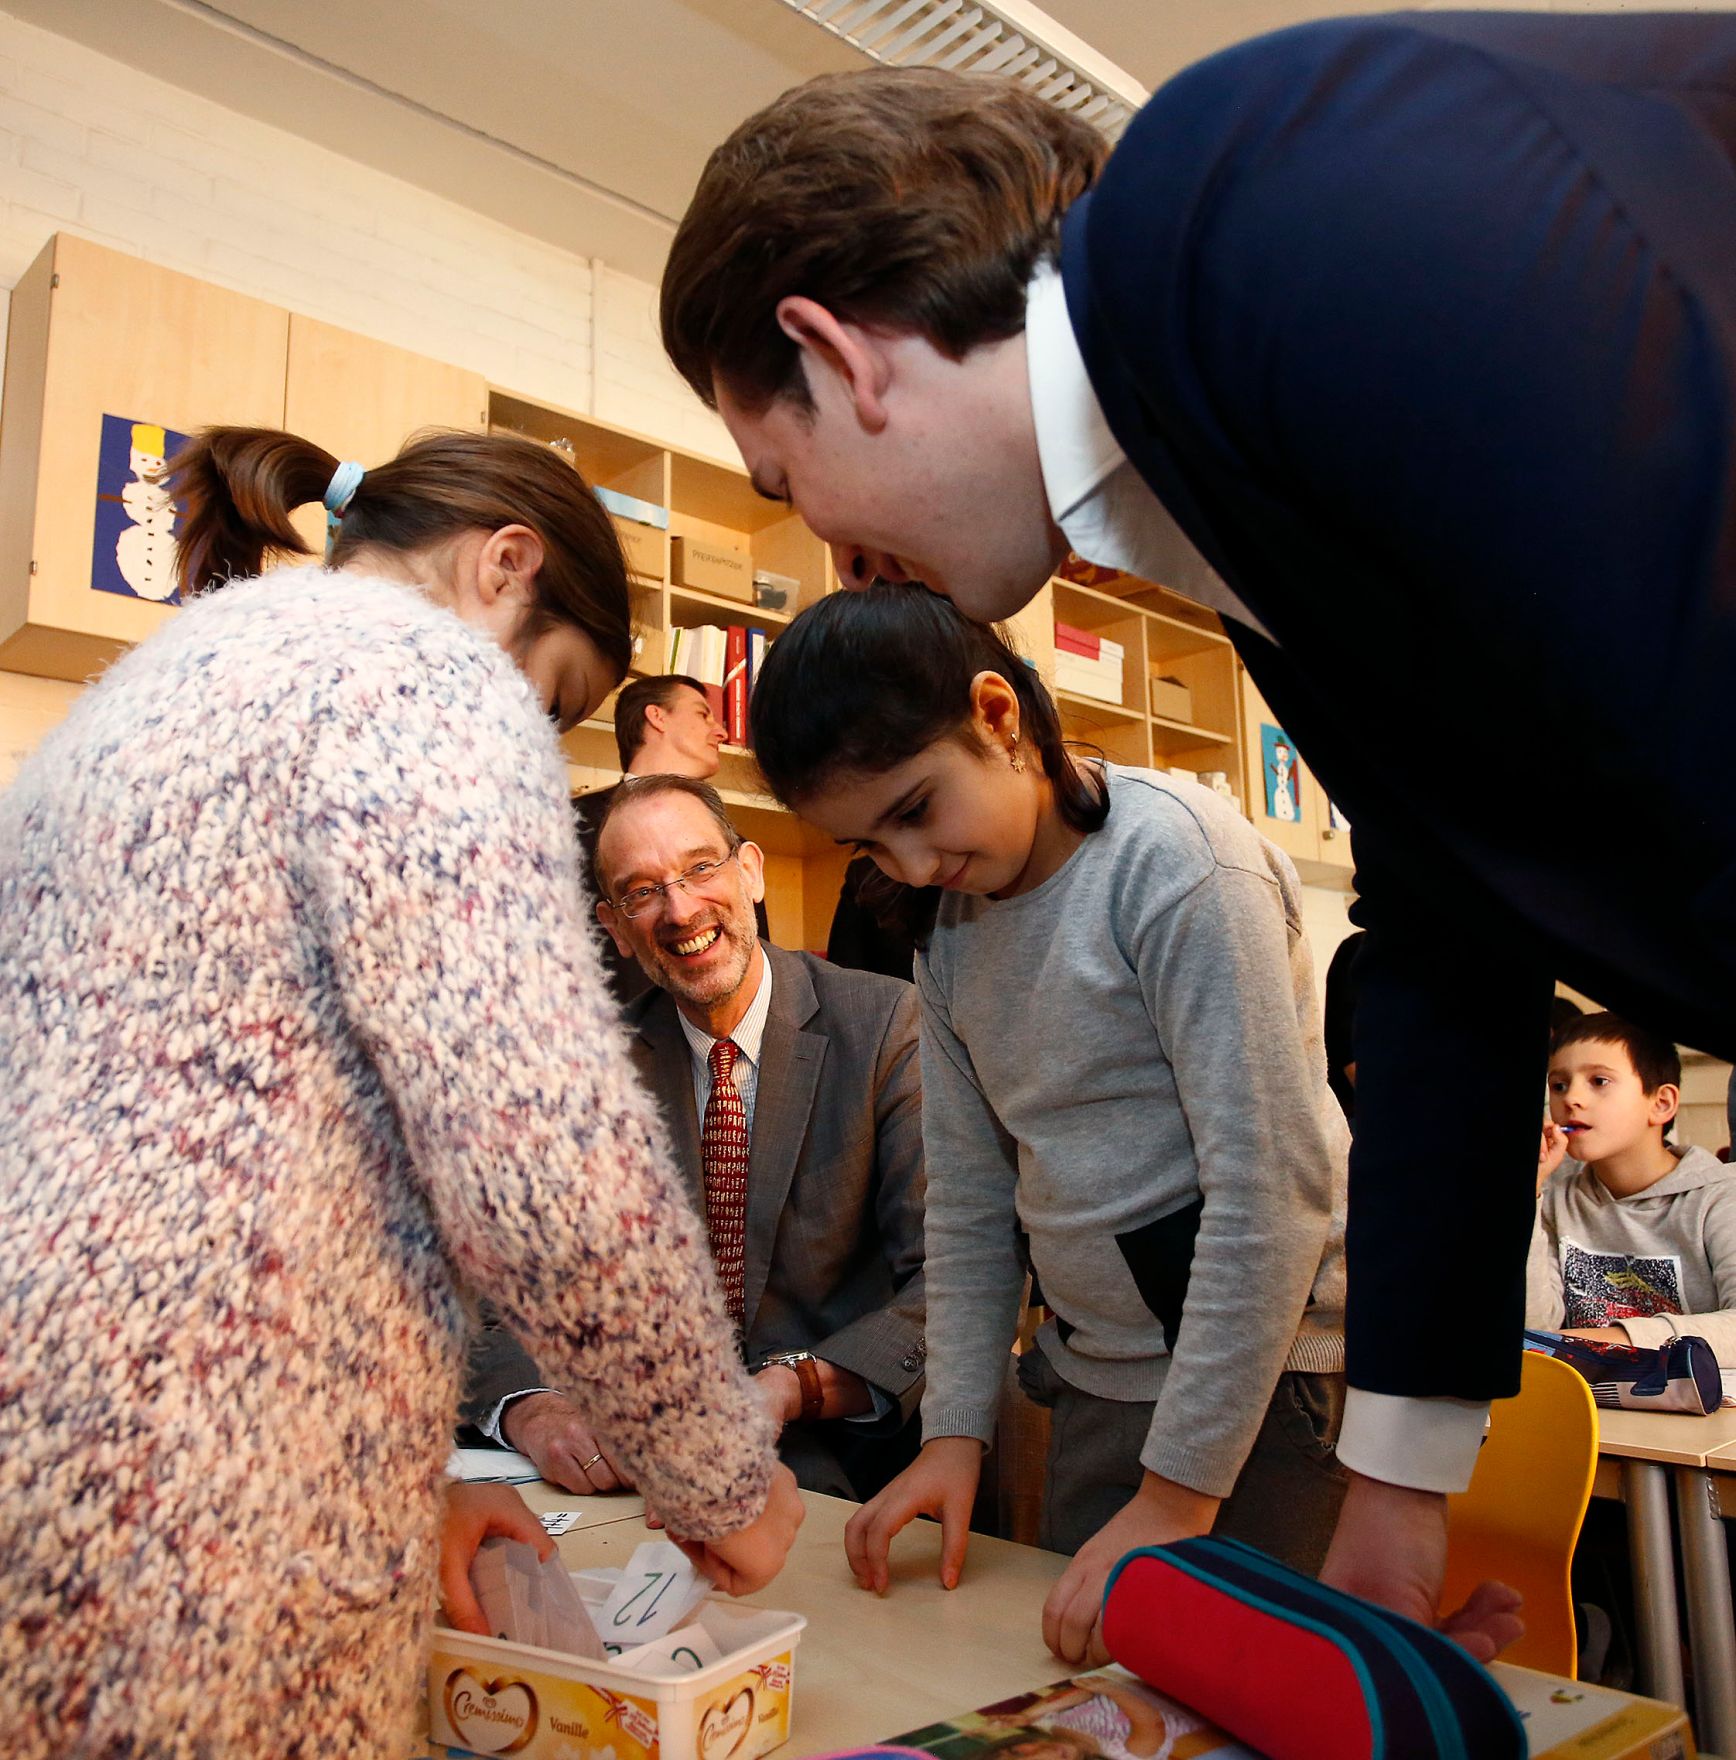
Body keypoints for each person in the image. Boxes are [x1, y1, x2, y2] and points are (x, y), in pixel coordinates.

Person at [659, 14, 1736, 1650]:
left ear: (842, 353)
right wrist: (1395, 1491)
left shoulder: (1258, 193)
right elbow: (1455, 927)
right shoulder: (1224, 485)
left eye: (783, 474)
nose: (834, 551)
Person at [0, 425, 802, 1758]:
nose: (531, 735)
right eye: (549, 699)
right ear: (506, 565)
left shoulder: (150, 689)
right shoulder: (423, 676)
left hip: (76, 1457)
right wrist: (715, 1472)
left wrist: (414, 1487)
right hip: (205, 1507)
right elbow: (542, 1158)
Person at [750, 583, 1349, 1666]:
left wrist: (1174, 1494)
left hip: (1262, 1394)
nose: (914, 865)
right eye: (869, 844)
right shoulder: (949, 932)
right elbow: (973, 1213)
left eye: (917, 808)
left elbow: (1273, 1189)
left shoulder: (1175, 864)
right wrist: (953, 1432)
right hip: (1093, 1384)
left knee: (1250, 1694)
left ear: (997, 713)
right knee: (1089, 1695)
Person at [465, 773, 928, 1498]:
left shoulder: (885, 1028)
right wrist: (537, 1411)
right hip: (637, 1483)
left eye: (699, 868)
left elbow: (952, 1278)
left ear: (750, 872)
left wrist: (794, 1388)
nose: (680, 910)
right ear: (613, 926)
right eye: (642, 890)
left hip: (847, 1473)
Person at [1530, 1013, 1736, 1367]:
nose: (1572, 1099)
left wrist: (1604, 1343)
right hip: (1591, 1408)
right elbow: (1533, 1328)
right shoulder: (1553, 1193)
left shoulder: (1720, 1195)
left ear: (1661, 1104)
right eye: (1559, 1085)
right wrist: (1529, 1192)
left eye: (1599, 1081)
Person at [576, 673, 764, 1002]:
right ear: (657, 716)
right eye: (702, 714)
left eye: (701, 868)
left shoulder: (734, 848)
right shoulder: (565, 828)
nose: (720, 731)